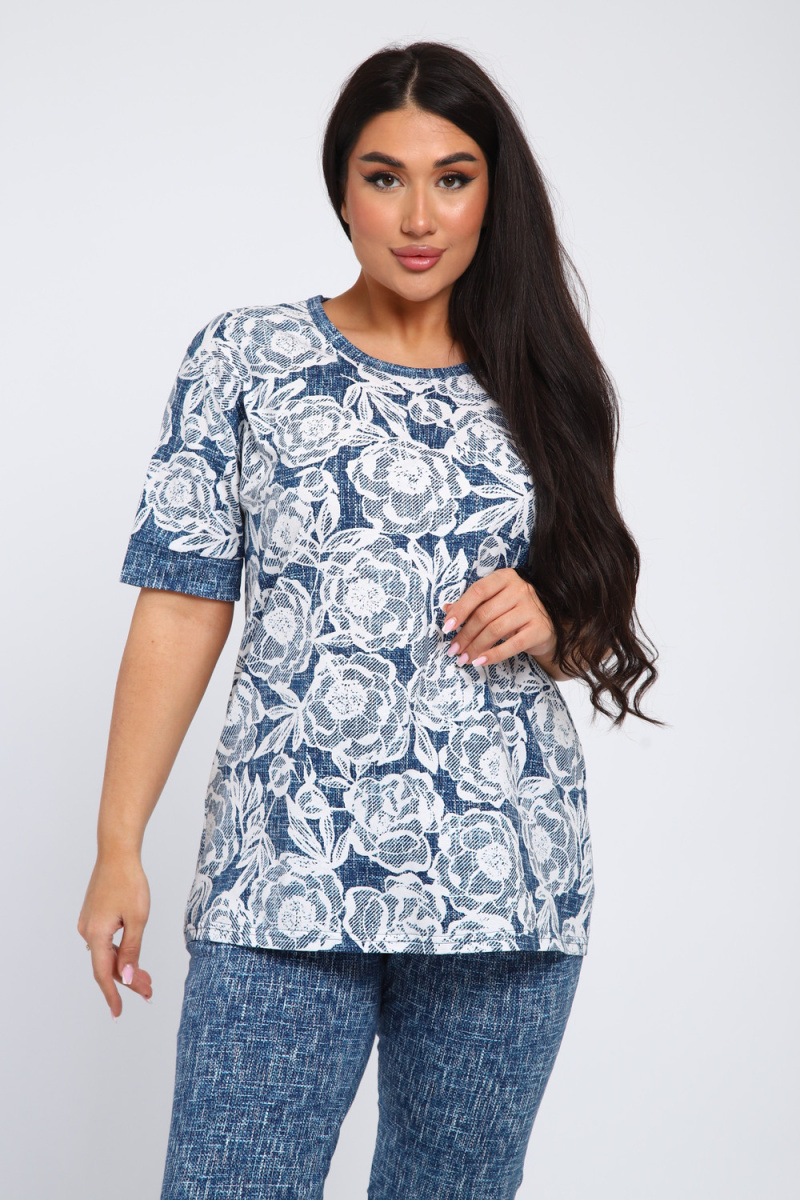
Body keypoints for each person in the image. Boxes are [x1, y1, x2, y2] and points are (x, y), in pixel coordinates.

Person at [77, 39, 659, 1200]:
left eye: (452, 177)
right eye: (384, 176)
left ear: (492, 192)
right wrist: (117, 847)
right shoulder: (246, 359)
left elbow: (595, 626)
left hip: (500, 882)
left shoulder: (544, 377)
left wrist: (552, 618)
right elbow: (182, 604)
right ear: (340, 187)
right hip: (282, 875)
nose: (418, 215)